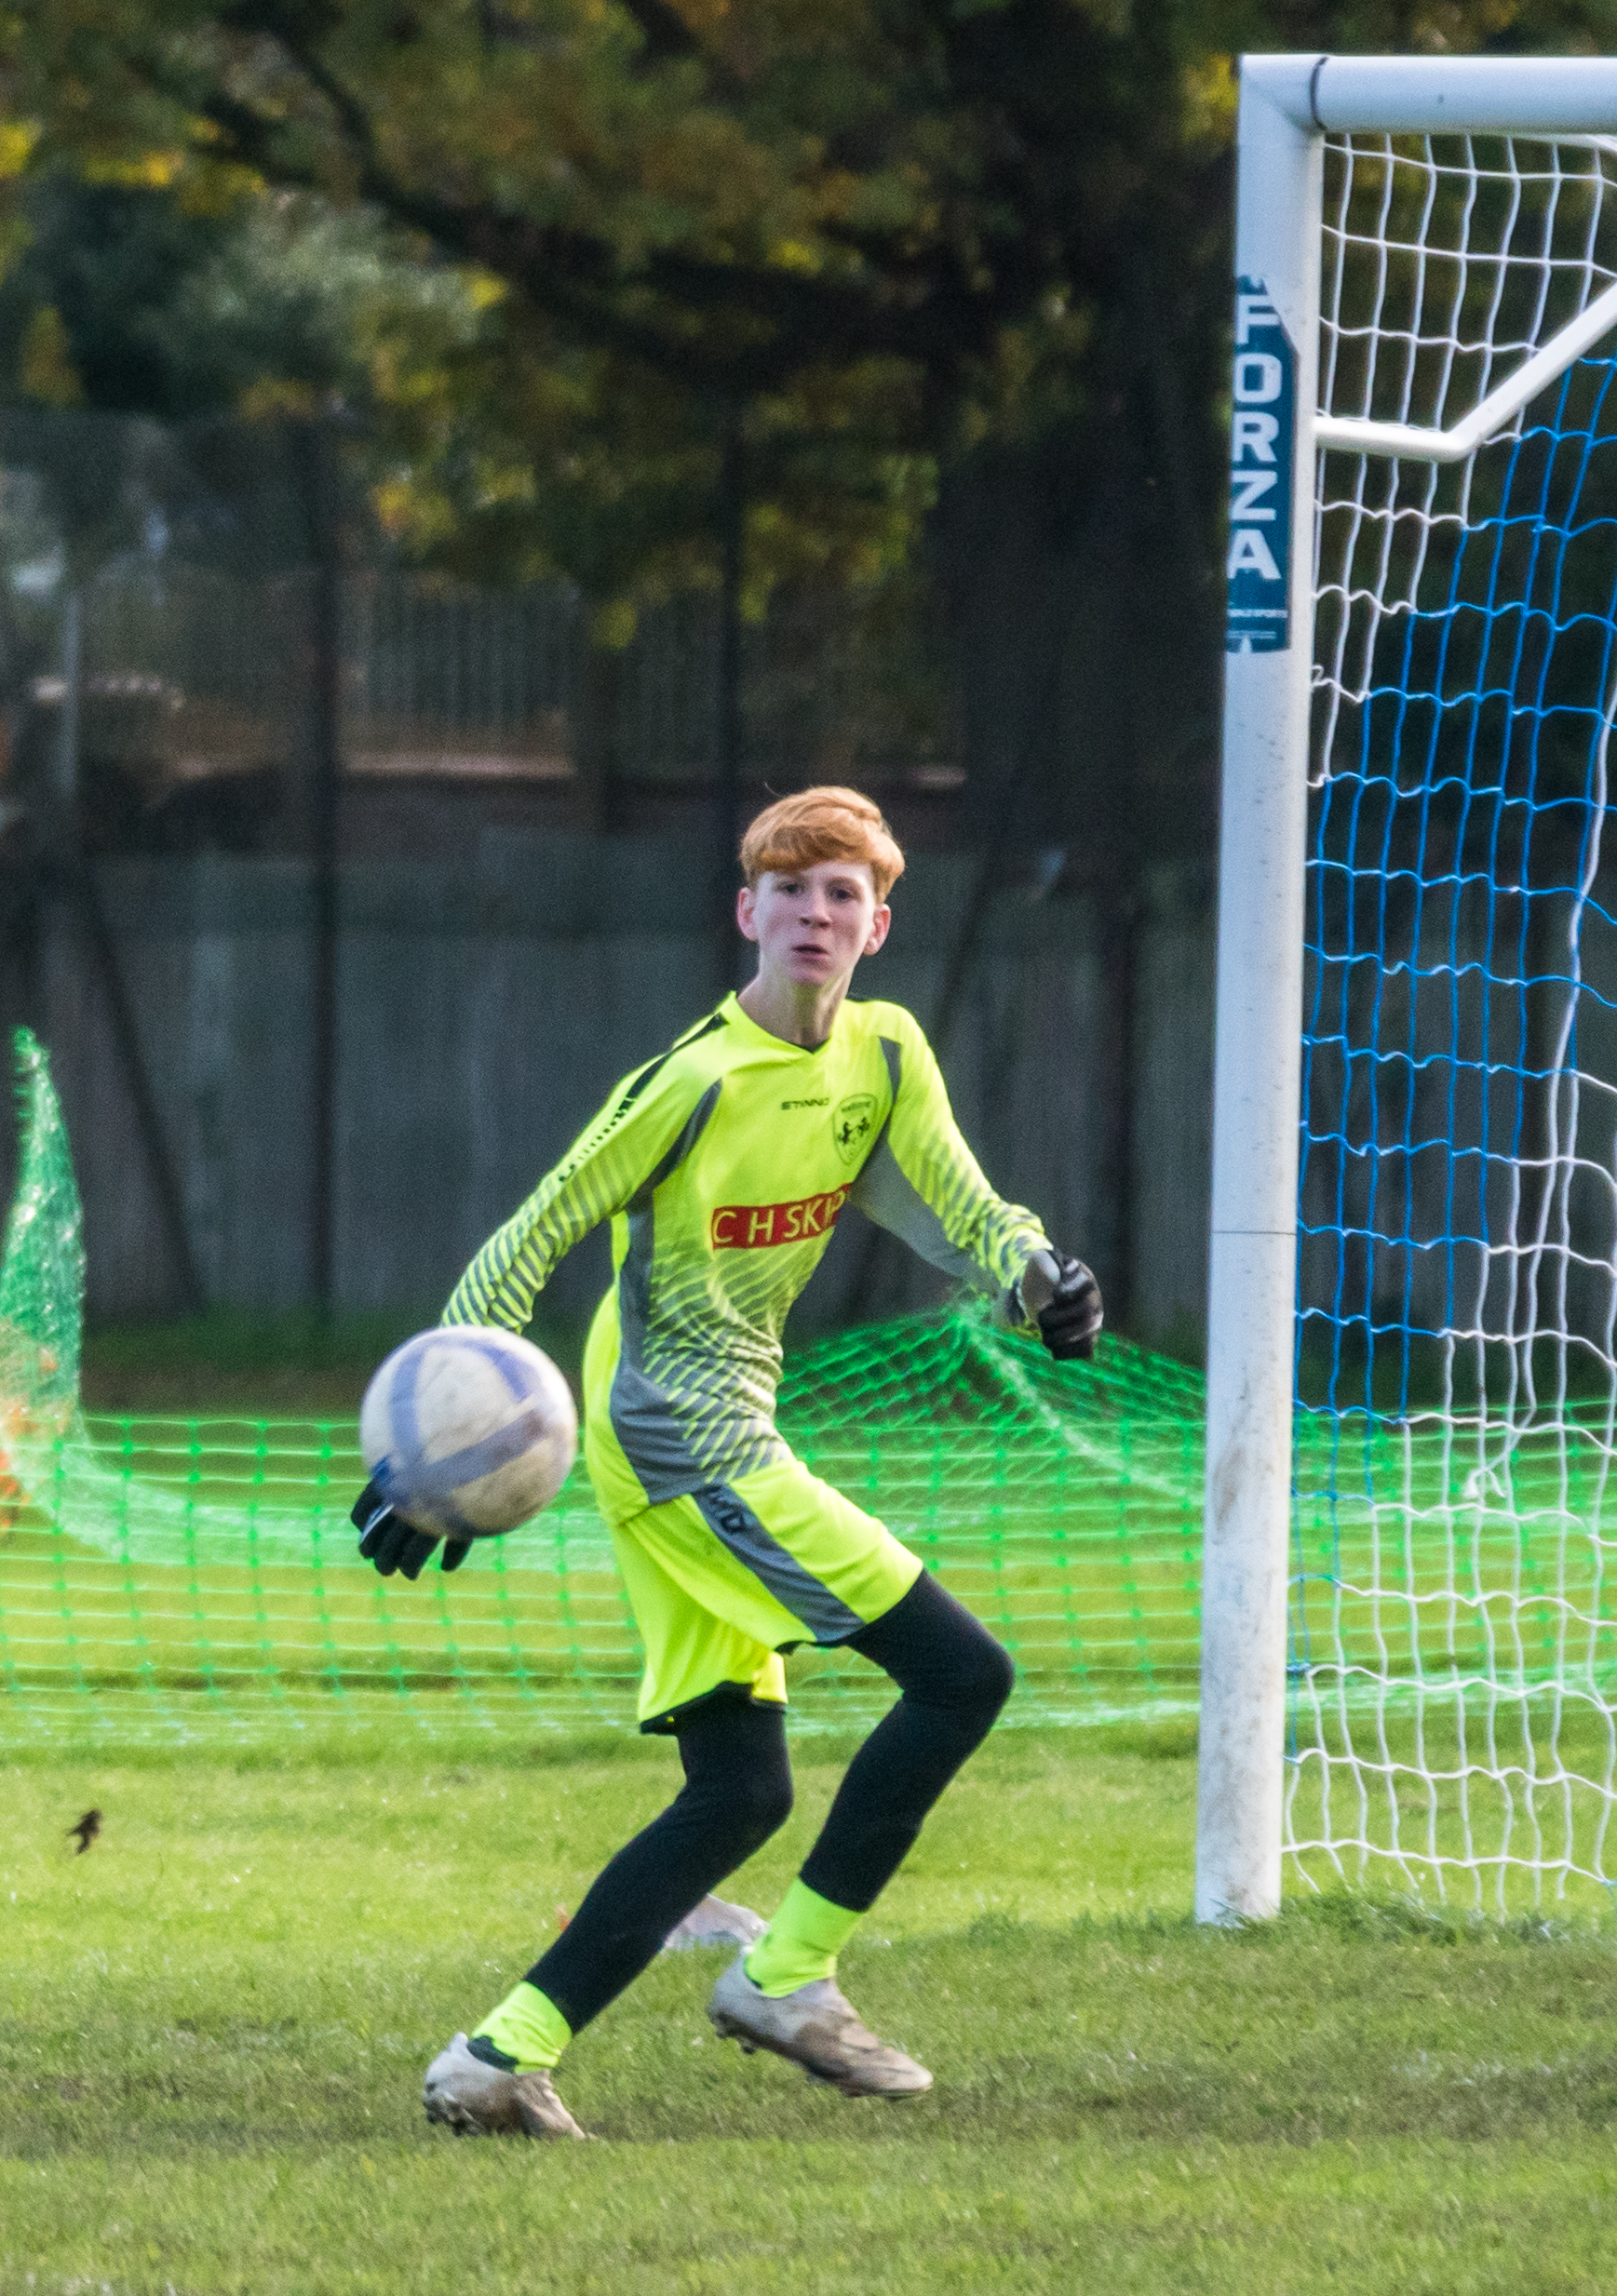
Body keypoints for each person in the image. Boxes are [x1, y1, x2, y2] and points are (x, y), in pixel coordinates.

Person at [365, 785, 1103, 2139]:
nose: (812, 914)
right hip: (671, 1428)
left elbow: (959, 1205)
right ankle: (785, 1976)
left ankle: (493, 2058)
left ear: (875, 927)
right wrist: (434, 1448)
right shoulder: (692, 1081)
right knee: (960, 1675)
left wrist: (1035, 1276)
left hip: (714, 1425)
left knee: (738, 1792)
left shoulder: (881, 1056)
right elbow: (525, 1241)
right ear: (744, 912)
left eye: (840, 895)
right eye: (789, 889)